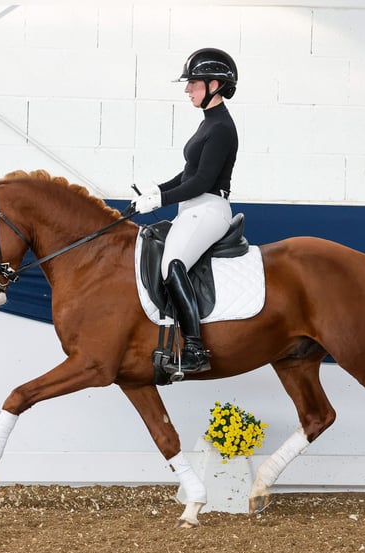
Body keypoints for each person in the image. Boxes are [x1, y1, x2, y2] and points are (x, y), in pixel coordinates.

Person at [132, 47, 239, 374]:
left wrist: (159, 202)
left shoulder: (221, 128)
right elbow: (188, 175)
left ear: (214, 85)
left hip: (210, 207)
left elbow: (202, 182)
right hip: (194, 207)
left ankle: (195, 348)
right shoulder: (208, 124)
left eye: (193, 83)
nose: (187, 89)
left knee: (173, 263)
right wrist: (157, 190)